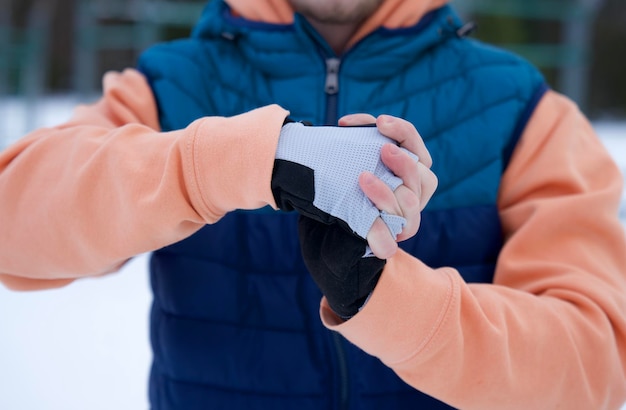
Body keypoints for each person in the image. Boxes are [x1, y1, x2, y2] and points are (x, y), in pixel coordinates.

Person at [1, 0, 626, 408]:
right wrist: (213, 168)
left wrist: (396, 301)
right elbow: (13, 224)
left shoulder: (522, 109)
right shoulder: (170, 84)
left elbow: (594, 365)